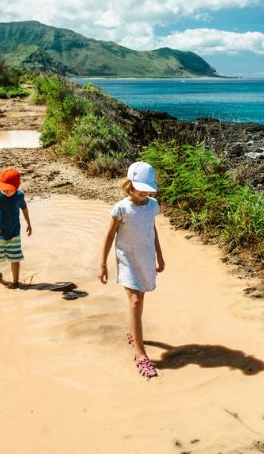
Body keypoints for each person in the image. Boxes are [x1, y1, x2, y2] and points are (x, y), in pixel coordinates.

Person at [99, 161, 165, 378]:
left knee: (141, 300)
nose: (144, 192)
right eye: (140, 187)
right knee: (135, 301)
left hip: (145, 257)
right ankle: (141, 354)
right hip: (127, 258)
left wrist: (160, 256)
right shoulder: (121, 208)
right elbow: (109, 236)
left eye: (147, 188)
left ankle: (133, 333)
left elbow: (152, 230)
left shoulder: (152, 205)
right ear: (129, 184)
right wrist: (103, 264)